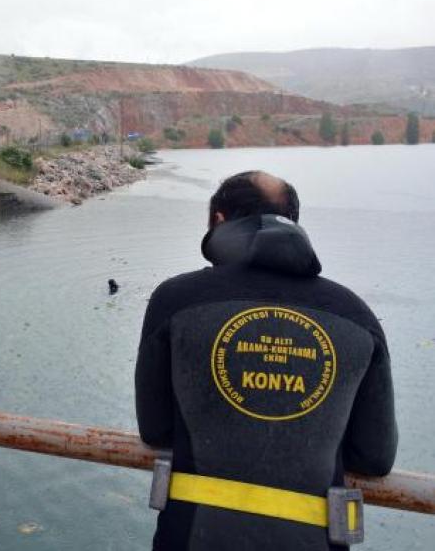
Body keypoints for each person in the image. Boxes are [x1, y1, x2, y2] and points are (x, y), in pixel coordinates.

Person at [135, 171, 397, 550]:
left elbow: (156, 430)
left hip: (192, 537)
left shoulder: (176, 300)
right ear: (293, 223)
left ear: (219, 222)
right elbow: (374, 458)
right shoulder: (356, 315)